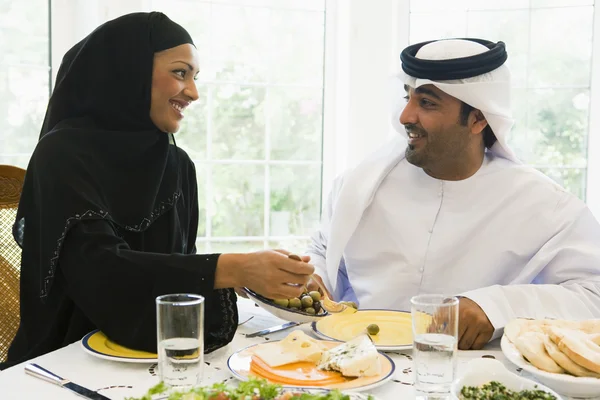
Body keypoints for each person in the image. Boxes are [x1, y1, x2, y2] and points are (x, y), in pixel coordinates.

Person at [0, 12, 314, 370]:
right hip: (61, 368)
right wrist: (233, 269)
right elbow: (98, 272)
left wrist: (257, 278)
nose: (194, 93)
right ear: (127, 71)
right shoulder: (60, 155)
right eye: (180, 73)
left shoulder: (178, 165)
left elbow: (176, 266)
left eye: (195, 78)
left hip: (152, 361)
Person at [306, 38, 600, 350]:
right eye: (408, 98)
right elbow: (325, 252)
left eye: (427, 103)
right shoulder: (358, 184)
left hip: (469, 378)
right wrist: (313, 279)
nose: (405, 116)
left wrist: (496, 306)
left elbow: (592, 293)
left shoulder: (545, 204)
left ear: (478, 119)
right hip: (355, 365)